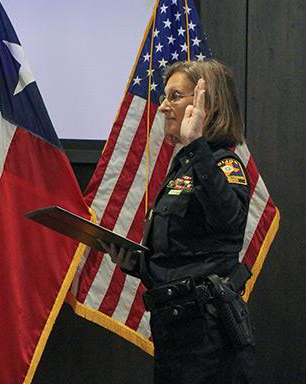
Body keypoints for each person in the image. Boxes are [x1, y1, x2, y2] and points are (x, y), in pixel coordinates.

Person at [102, 60, 254, 384]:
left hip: (208, 337)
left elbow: (228, 221)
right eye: (165, 97)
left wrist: (197, 143)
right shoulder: (184, 168)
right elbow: (181, 257)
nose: (163, 107)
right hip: (174, 334)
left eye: (175, 96)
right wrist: (135, 262)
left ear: (207, 107)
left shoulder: (224, 165)